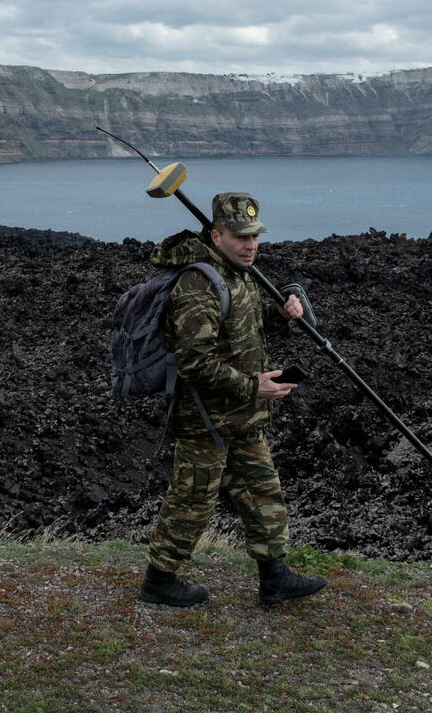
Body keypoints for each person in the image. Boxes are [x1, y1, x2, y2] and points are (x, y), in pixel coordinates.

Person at [138, 192, 328, 607]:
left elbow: (244, 330)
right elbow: (194, 362)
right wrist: (253, 387)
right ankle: (158, 581)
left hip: (242, 418)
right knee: (192, 501)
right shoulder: (198, 284)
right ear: (216, 235)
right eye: (241, 236)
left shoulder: (239, 275)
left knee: (262, 492)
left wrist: (278, 316)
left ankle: (274, 579)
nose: (251, 244)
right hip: (206, 421)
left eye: (255, 236)